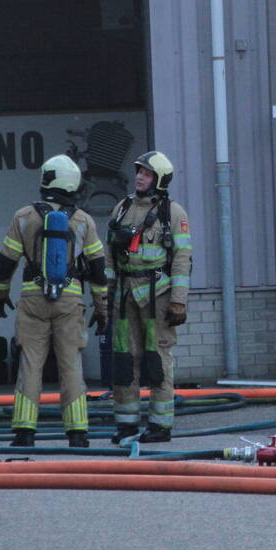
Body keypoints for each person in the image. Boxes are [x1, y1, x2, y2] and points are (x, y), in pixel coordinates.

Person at [0, 154, 109, 448]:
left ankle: (24, 432)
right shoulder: (83, 221)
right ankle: (78, 433)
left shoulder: (23, 217)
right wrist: (102, 308)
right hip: (70, 302)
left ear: (47, 179)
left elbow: (6, 263)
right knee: (71, 365)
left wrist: (0, 295)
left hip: (33, 299)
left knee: (30, 364)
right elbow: (98, 269)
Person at [105, 151, 193, 443]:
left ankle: (159, 426)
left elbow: (182, 259)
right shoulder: (122, 208)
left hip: (159, 298)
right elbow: (109, 255)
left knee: (157, 362)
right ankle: (127, 425)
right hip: (124, 297)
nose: (139, 177)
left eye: (146, 173)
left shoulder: (173, 213)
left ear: (160, 179)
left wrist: (178, 300)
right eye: (139, 172)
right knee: (123, 360)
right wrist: (105, 297)